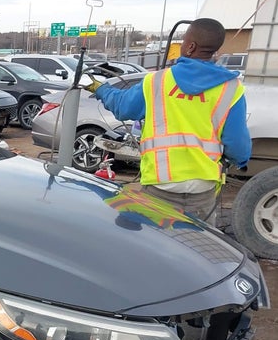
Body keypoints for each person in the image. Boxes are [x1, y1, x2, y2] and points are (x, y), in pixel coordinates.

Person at [88, 18, 251, 225]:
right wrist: (239, 161)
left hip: (159, 185)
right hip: (202, 187)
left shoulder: (157, 81)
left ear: (191, 47)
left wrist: (100, 89)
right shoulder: (231, 88)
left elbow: (123, 106)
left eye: (184, 41)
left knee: (157, 248)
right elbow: (238, 143)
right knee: (198, 248)